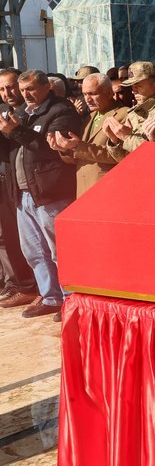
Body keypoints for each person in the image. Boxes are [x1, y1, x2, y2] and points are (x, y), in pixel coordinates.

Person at [0, 70, 82, 319]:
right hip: (24, 194)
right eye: (23, 90)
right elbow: (11, 151)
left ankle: (71, 300)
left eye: (31, 89)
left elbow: (51, 149)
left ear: (47, 87)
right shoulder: (22, 113)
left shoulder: (61, 111)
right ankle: (51, 297)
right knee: (34, 252)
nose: (25, 94)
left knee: (60, 251)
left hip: (50, 193)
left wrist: (16, 131)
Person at [49, 73, 129, 196]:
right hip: (84, 190)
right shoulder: (90, 117)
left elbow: (119, 155)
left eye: (93, 93)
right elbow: (80, 157)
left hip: (107, 189)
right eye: (85, 94)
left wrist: (77, 146)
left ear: (109, 93)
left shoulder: (124, 114)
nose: (88, 99)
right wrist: (65, 149)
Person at [0, 69, 38, 309]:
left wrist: (11, 131)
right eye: (2, 89)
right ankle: (20, 284)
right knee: (9, 237)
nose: (8, 93)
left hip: (27, 183)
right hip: (6, 180)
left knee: (28, 239)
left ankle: (33, 287)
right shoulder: (4, 112)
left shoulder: (29, 113)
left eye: (11, 87)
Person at [102, 62, 155, 159]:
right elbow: (125, 159)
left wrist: (127, 137)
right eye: (132, 86)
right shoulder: (134, 113)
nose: (133, 91)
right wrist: (115, 140)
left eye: (138, 86)